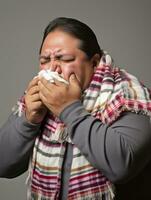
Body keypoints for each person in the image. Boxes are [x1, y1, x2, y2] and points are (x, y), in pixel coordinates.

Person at [1, 17, 151, 199]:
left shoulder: (128, 94)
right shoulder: (38, 95)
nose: (52, 69)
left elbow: (122, 166)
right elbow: (3, 164)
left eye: (64, 59)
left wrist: (69, 108)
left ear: (94, 63)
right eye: (45, 60)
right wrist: (29, 120)